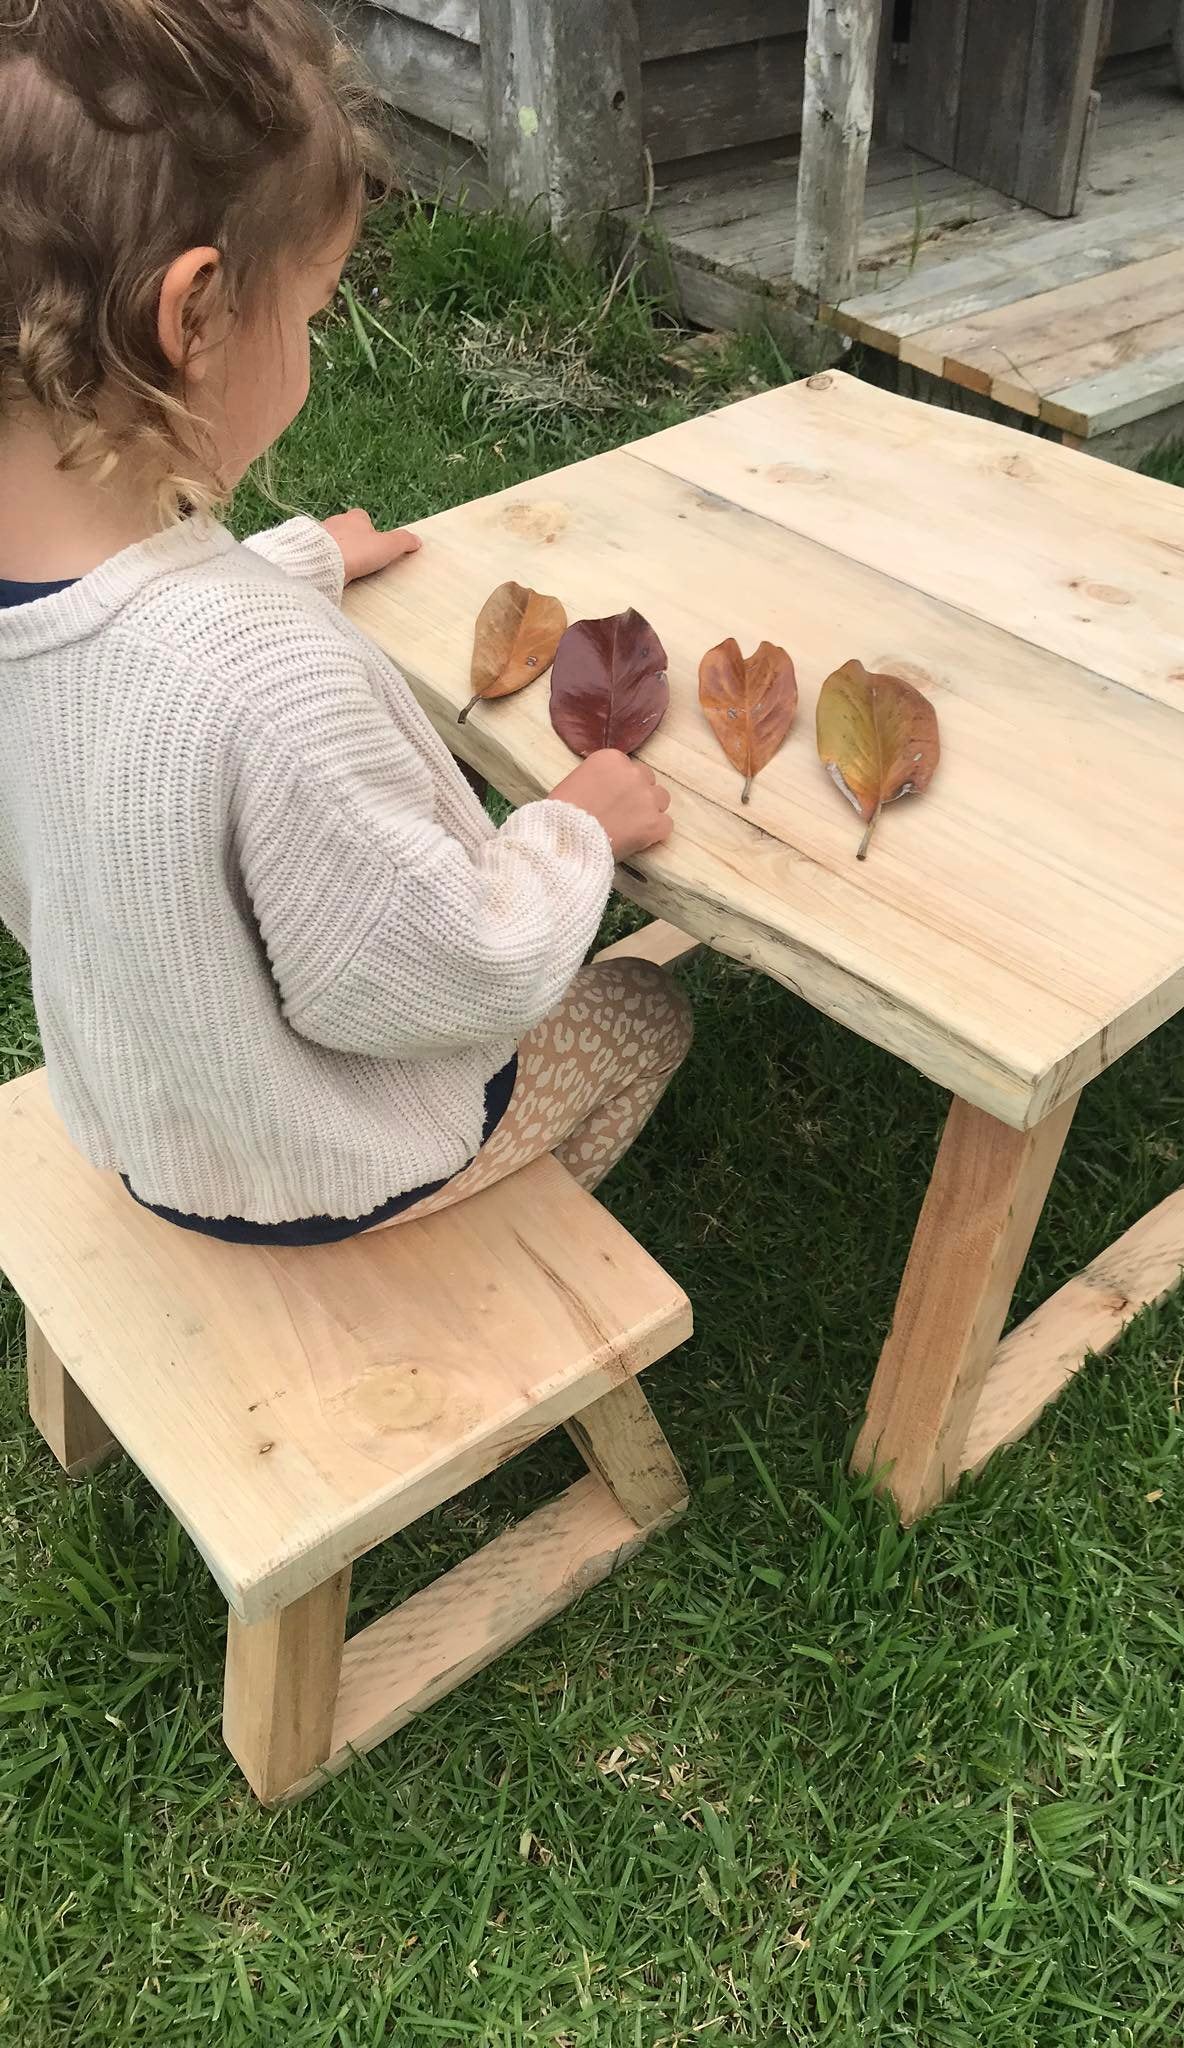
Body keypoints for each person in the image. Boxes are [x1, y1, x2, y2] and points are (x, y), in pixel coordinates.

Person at [0, 0, 690, 1245]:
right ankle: (469, 1253)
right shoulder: (261, 686)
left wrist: (296, 559)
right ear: (196, 317)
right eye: (312, 311)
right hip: (312, 1160)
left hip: (149, 1113)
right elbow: (436, 967)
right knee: (648, 1011)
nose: (313, 345)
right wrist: (575, 830)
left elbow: (114, 637)